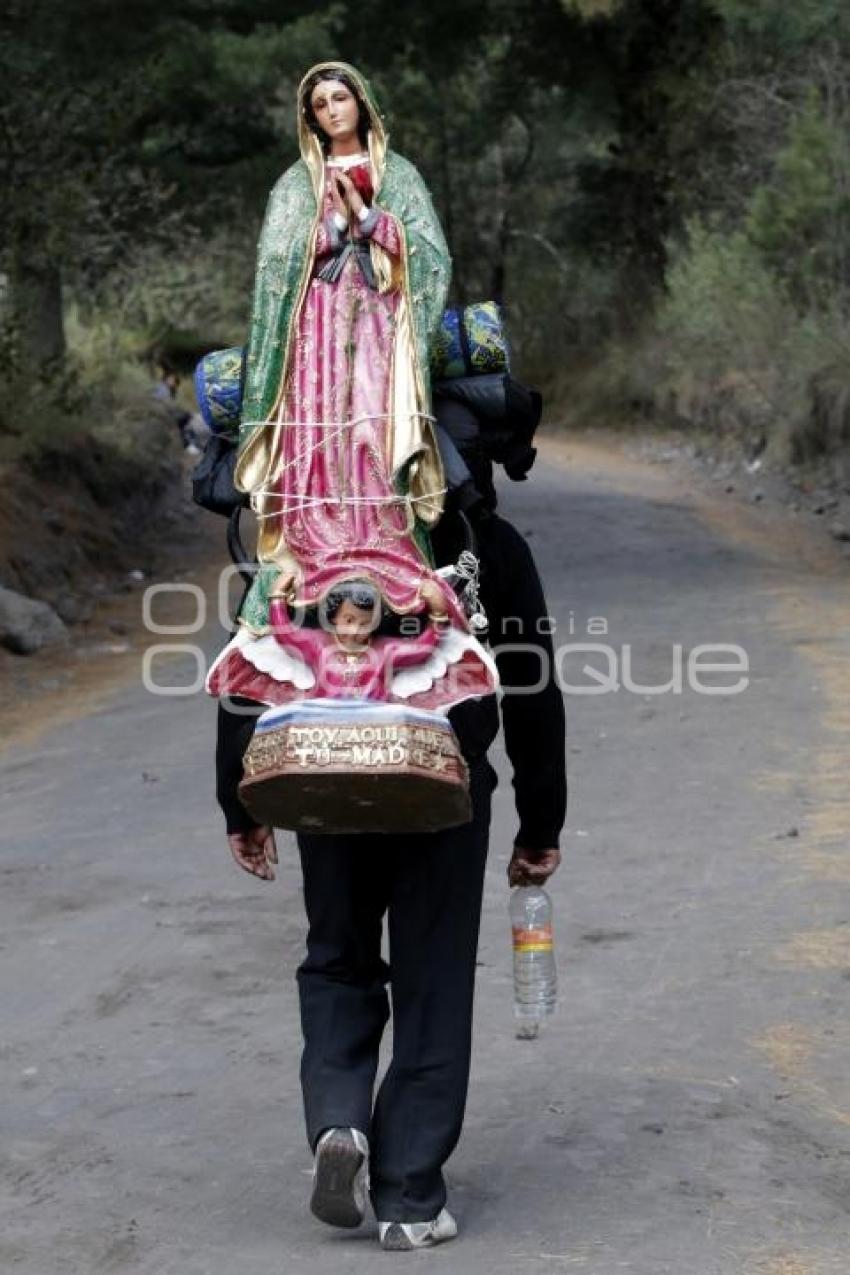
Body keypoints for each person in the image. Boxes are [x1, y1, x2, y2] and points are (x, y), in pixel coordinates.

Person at [213, 61, 566, 1252]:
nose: (329, 113)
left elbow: (251, 664)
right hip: (447, 785)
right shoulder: (483, 543)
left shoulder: (295, 557)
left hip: (321, 768)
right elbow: (534, 686)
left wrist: (239, 800)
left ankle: (334, 1120)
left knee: (332, 954)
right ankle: (410, 1191)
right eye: (311, 101)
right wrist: (540, 820)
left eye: (338, 97)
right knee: (432, 978)